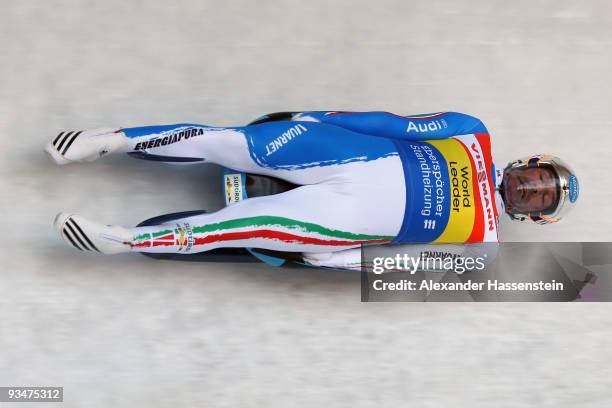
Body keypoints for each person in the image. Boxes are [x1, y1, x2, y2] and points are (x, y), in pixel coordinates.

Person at [44, 111, 579, 270]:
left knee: (240, 224)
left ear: (534, 215)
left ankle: (124, 240)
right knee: (229, 141)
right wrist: (322, 117)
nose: (529, 188)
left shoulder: (484, 244)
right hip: (346, 150)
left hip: (345, 213)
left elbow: (400, 266)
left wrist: (334, 259)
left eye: (538, 196)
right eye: (535, 177)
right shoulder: (472, 132)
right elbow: (394, 124)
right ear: (525, 162)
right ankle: (108, 141)